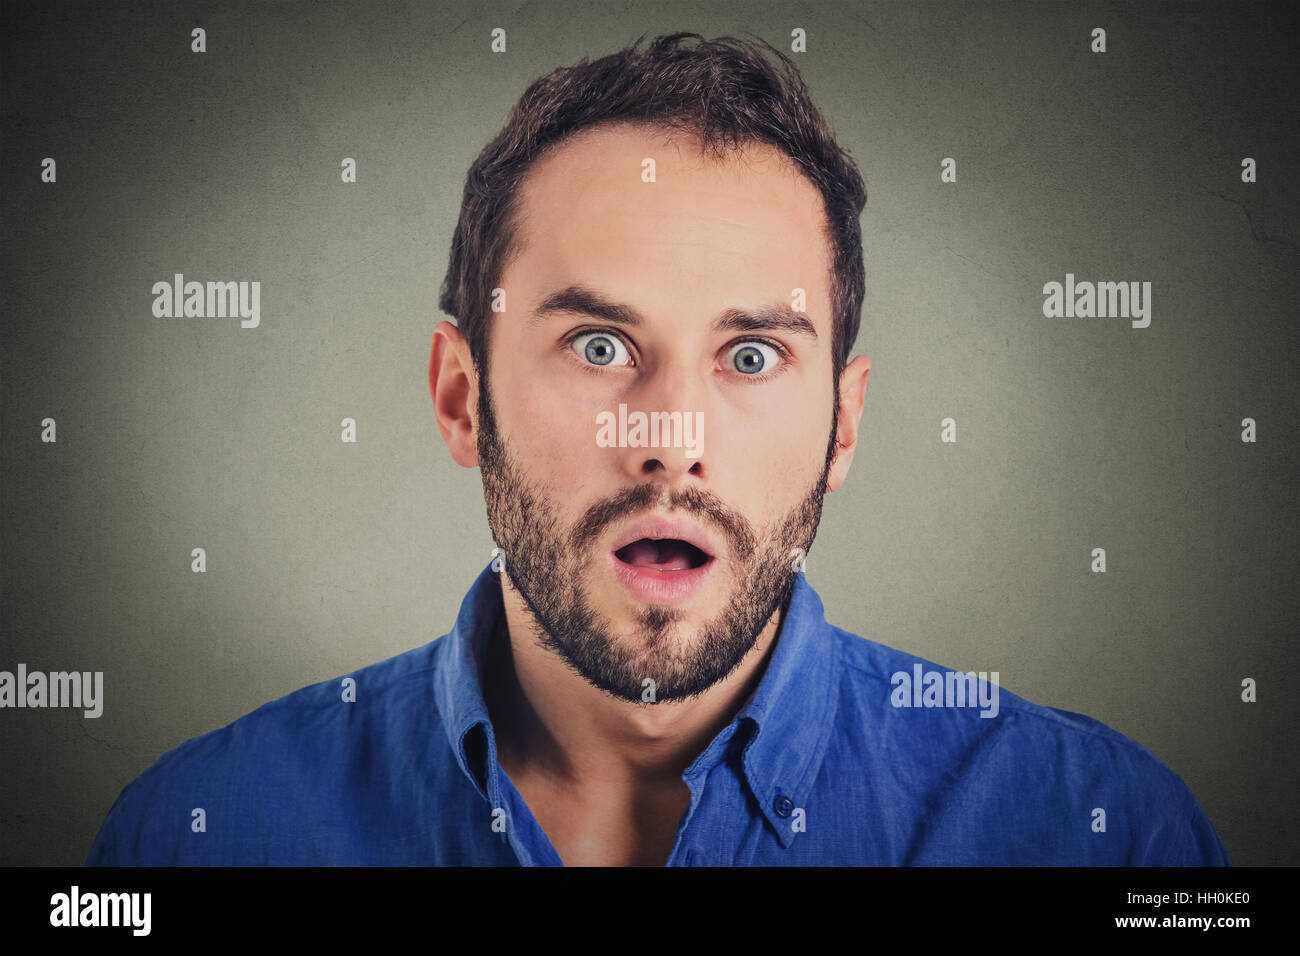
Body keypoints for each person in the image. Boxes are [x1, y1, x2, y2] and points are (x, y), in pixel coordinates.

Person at [86, 32, 1230, 866]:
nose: (670, 442)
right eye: (597, 345)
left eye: (750, 357)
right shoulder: (194, 834)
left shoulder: (1103, 831)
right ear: (457, 396)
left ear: (842, 423)